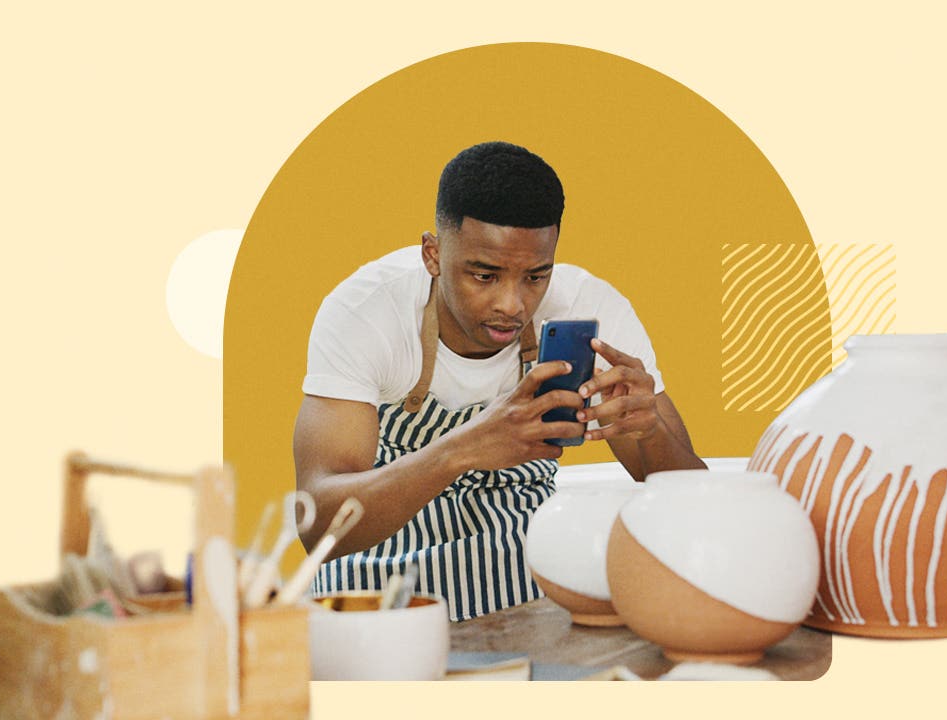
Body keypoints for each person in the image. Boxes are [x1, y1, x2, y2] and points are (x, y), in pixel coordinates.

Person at [293, 141, 705, 620]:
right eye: (484, 275)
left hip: (521, 595)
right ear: (433, 254)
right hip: (377, 599)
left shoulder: (591, 308)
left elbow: (696, 504)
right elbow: (319, 527)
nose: (512, 304)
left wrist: (647, 429)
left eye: (535, 276)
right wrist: (460, 450)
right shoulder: (366, 313)